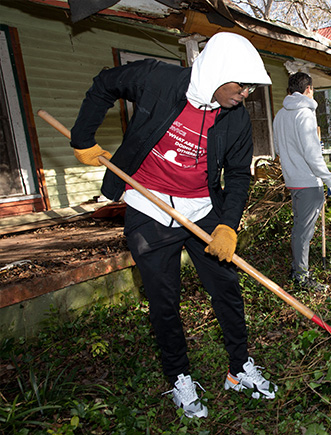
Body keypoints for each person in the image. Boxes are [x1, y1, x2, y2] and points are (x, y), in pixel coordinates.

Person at [69, 32, 278, 418]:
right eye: (243, 84)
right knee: (165, 302)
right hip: (147, 208)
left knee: (227, 289)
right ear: (216, 72)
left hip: (201, 209)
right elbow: (104, 83)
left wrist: (228, 226)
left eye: (251, 86)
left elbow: (237, 175)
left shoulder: (236, 120)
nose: (246, 93)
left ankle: (239, 367)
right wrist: (83, 138)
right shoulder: (157, 80)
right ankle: (180, 377)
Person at [273, 72, 331, 291]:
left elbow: (279, 149)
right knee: (304, 231)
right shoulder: (305, 114)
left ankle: (297, 269)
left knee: (299, 227)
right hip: (309, 181)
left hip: (292, 179)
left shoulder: (280, 115)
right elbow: (312, 155)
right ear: (308, 89)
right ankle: (301, 276)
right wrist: (329, 180)